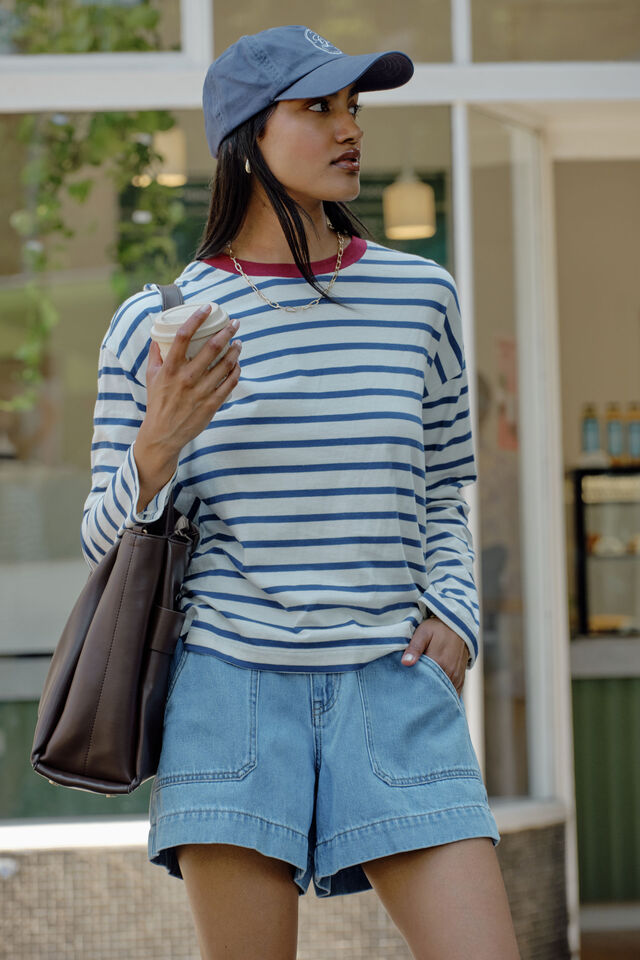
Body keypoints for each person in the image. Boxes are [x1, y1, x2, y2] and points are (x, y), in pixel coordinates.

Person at [81, 24, 521, 960]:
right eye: (318, 108)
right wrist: (160, 439)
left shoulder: (420, 298)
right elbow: (100, 541)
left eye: (353, 107)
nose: (349, 128)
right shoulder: (160, 326)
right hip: (228, 689)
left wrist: (455, 608)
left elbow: (447, 480)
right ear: (246, 134)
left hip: (394, 683)